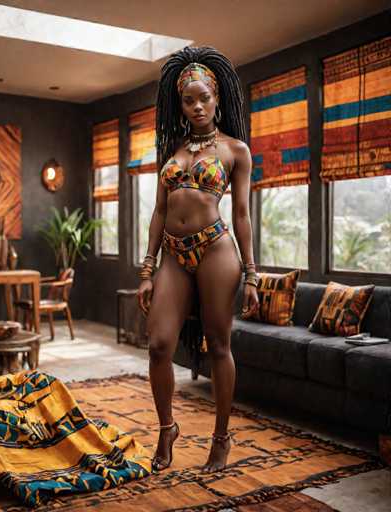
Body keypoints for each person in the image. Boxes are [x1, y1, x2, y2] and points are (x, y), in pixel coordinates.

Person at [137, 46, 259, 474]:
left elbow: (242, 215)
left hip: (216, 249)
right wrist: (148, 268)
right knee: (158, 345)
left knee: (219, 345)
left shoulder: (235, 150)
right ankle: (167, 427)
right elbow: (157, 211)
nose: (197, 106)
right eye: (189, 100)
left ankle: (222, 437)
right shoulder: (172, 147)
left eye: (204, 97)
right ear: (182, 104)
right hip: (172, 251)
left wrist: (253, 273)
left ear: (217, 96)